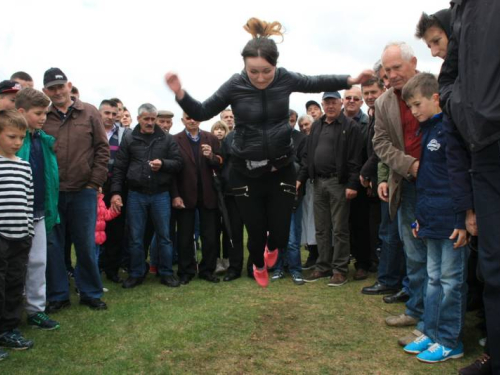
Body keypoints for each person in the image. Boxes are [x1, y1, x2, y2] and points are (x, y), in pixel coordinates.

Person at [165, 17, 372, 287]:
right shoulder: (235, 85)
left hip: (281, 167)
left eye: (266, 71)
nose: (260, 78)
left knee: (280, 231)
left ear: (275, 65)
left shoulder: (284, 79)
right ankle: (258, 262)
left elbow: (314, 81)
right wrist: (181, 93)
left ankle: (272, 251)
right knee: (255, 231)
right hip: (246, 171)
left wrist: (350, 80)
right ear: (244, 67)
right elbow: (203, 111)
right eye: (254, 72)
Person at [438, 1, 500, 373]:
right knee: (492, 267)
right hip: (484, 150)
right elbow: (451, 75)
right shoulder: (461, 9)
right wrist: (460, 105)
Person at [401, 72, 469, 363]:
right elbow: (427, 181)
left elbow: (459, 177)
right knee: (433, 279)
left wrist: (461, 219)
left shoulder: (450, 130)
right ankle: (431, 331)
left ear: (435, 98)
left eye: (418, 104)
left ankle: (450, 340)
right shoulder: (426, 130)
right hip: (431, 219)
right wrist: (421, 218)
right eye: (410, 107)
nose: (414, 111)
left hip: (452, 223)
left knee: (451, 281)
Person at [372, 43, 427, 343]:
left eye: (397, 68)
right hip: (406, 184)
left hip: (442, 185)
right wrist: (410, 165)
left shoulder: (436, 87)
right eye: (386, 70)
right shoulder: (383, 103)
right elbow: (380, 144)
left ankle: (435, 324)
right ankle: (416, 310)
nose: (391, 75)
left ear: (414, 62)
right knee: (415, 254)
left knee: (442, 258)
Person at [42, 67, 109, 312]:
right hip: (53, 193)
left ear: (69, 86)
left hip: (84, 191)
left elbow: (102, 149)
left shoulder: (89, 111)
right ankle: (58, 295)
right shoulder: (43, 116)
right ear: (44, 91)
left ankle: (90, 292)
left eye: (60, 86)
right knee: (54, 246)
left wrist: (94, 182)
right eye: (52, 88)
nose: (57, 92)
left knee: (85, 245)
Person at [110, 103, 183, 288]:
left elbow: (178, 163)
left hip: (160, 194)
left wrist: (164, 163)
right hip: (136, 194)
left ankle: (166, 272)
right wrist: (116, 192)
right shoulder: (129, 138)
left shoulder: (166, 139)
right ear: (138, 118)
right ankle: (136, 273)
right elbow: (119, 168)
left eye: (153, 119)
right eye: (146, 119)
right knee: (135, 237)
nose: (150, 123)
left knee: (164, 236)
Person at [298, 92, 363, 286]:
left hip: (339, 183)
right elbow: (309, 155)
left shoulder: (350, 126)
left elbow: (355, 158)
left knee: (340, 229)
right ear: (323, 104)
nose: (331, 106)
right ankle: (323, 266)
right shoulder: (317, 125)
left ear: (340, 103)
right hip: (317, 182)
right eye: (327, 102)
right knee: (321, 228)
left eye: (334, 102)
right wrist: (301, 178)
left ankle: (340, 270)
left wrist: (352, 184)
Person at [15, 88, 60, 331]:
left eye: (46, 113)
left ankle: (36, 310)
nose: (43, 117)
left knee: (38, 262)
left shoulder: (42, 139)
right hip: (14, 214)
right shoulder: (12, 141)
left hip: (39, 210)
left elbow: (49, 178)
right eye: (39, 113)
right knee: (12, 266)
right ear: (21, 112)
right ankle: (9, 315)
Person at [171, 113, 222, 284]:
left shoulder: (212, 138)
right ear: (182, 120)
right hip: (185, 195)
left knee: (210, 236)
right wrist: (175, 195)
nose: (192, 120)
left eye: (194, 117)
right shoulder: (174, 140)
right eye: (188, 117)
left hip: (208, 194)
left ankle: (207, 270)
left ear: (200, 119)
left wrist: (212, 157)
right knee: (185, 236)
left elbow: (222, 163)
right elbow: (172, 173)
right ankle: (186, 271)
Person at [0, 110, 35, 358]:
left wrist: (29, 231)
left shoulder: (24, 166)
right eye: (12, 136)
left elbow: (28, 200)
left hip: (21, 236)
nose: (17, 142)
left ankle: (9, 329)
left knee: (14, 284)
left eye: (21, 137)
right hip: (1, 236)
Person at [98, 99, 130, 283]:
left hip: (117, 187)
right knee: (95, 228)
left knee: (116, 230)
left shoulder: (125, 134)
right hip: (95, 187)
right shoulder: (92, 131)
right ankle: (96, 266)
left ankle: (112, 269)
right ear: (99, 113)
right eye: (106, 113)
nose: (110, 117)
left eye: (113, 113)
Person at [343, 86, 372, 280]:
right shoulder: (334, 122)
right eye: (348, 98)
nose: (351, 100)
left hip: (361, 182)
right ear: (343, 101)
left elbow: (369, 153)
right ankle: (340, 263)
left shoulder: (367, 123)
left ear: (361, 102)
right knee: (340, 226)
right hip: (338, 181)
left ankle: (363, 264)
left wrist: (368, 179)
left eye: (356, 98)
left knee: (361, 225)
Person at [297, 114, 318, 269]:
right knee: (309, 220)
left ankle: (324, 255)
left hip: (322, 182)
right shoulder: (302, 141)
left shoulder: (320, 137)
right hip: (307, 185)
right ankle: (313, 253)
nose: (304, 127)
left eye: (306, 124)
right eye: (301, 125)